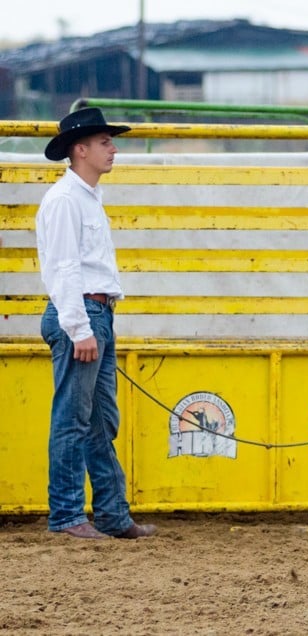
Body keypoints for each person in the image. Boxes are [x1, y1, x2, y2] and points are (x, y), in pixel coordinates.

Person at [35, 107, 158, 540]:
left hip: (94, 312)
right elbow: (64, 267)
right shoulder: (68, 200)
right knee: (75, 418)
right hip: (84, 313)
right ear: (80, 149)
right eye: (105, 142)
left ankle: (108, 514)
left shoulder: (81, 198)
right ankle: (69, 515)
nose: (113, 149)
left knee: (98, 420)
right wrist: (78, 326)